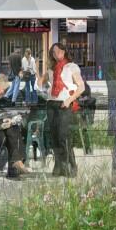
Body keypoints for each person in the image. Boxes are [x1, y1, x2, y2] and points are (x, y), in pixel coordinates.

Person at [41, 42, 84, 177]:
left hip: (64, 104)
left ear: (64, 51)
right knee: (53, 137)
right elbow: (40, 84)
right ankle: (59, 165)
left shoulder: (71, 67)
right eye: (53, 52)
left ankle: (70, 166)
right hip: (51, 103)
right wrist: (37, 69)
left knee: (63, 136)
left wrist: (69, 100)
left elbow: (81, 87)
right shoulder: (51, 69)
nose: (56, 54)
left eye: (59, 51)